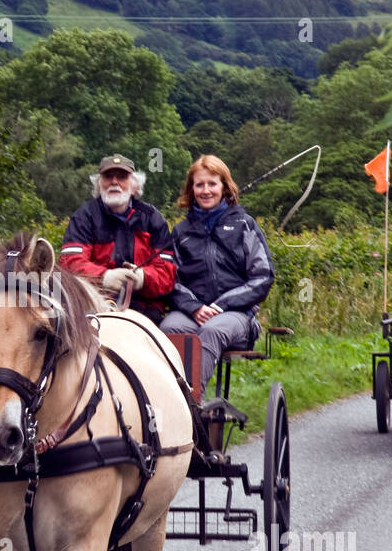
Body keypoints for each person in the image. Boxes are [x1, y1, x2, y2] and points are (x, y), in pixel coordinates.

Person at [160, 155, 274, 390]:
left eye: (212, 184)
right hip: (192, 314)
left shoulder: (245, 225)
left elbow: (263, 277)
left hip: (236, 315)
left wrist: (221, 306)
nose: (206, 190)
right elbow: (170, 279)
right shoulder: (181, 232)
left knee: (212, 330)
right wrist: (195, 307)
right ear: (191, 190)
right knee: (168, 329)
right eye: (199, 184)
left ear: (224, 187)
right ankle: (169, 398)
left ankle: (192, 404)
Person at [58, 154, 177, 324]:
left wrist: (142, 278)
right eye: (108, 177)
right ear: (99, 184)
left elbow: (167, 274)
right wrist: (104, 277)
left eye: (122, 177)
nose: (114, 182)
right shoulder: (84, 217)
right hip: (93, 306)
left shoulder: (152, 218)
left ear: (134, 186)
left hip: (146, 311)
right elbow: (69, 264)